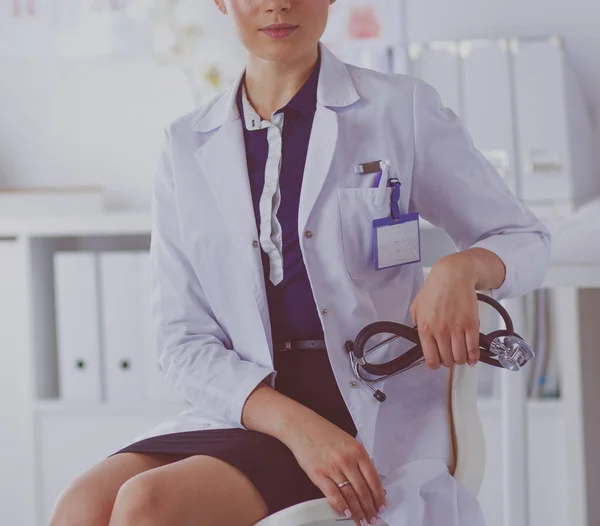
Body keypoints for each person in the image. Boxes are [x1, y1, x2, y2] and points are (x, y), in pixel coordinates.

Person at [49, 1, 551, 525]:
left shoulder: (398, 110)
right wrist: (295, 427)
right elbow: (183, 342)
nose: (277, 4)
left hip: (359, 409)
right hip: (252, 408)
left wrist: (461, 268)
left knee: (147, 506)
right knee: (80, 507)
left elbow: (525, 238)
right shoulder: (185, 145)